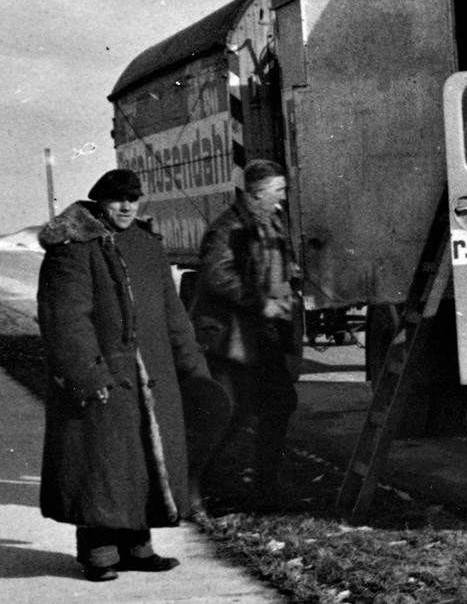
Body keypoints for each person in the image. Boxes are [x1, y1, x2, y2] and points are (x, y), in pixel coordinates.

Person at [36, 168, 213, 582]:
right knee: (101, 465)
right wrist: (87, 374)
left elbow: (173, 314)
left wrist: (194, 368)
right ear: (100, 202)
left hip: (152, 374)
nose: (127, 207)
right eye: (118, 200)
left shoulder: (147, 245)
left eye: (134, 199)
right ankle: (97, 551)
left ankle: (137, 547)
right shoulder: (73, 248)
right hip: (103, 376)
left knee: (143, 461)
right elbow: (65, 320)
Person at [189, 159, 301, 512]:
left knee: (279, 403)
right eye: (278, 191)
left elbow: (275, 268)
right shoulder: (228, 227)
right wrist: (261, 303)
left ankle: (264, 490)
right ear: (256, 194)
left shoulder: (270, 223)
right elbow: (216, 275)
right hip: (230, 337)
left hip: (259, 335)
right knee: (229, 412)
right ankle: (190, 487)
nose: (283, 198)